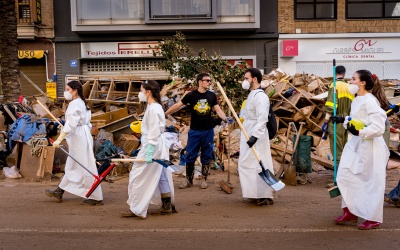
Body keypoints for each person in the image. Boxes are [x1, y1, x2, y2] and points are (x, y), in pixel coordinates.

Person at [332, 70, 389, 230]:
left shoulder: (370, 101)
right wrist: (344, 120)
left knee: (371, 182)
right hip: (356, 144)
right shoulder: (357, 99)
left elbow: (378, 127)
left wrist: (360, 132)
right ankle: (350, 211)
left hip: (370, 147)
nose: (350, 81)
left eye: (354, 79)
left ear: (362, 82)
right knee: (345, 175)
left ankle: (373, 217)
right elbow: (357, 120)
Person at [165, 73, 231, 189]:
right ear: (200, 82)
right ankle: (188, 181)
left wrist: (225, 118)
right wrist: (164, 113)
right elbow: (177, 106)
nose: (209, 83)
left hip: (208, 131)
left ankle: (204, 180)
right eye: (207, 80)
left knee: (206, 155)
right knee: (190, 155)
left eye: (210, 80)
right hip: (194, 131)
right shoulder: (191, 95)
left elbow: (218, 110)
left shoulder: (211, 96)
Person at [121, 80, 176, 218]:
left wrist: (149, 151)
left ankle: (137, 208)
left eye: (141, 90)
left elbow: (154, 131)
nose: (140, 93)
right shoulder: (153, 107)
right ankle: (167, 204)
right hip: (156, 144)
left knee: (137, 175)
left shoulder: (154, 108)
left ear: (148, 92)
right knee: (161, 173)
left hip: (153, 145)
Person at [45, 80, 103, 205]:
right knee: (73, 165)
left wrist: (60, 139)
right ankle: (59, 191)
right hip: (82, 135)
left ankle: (95, 196)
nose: (66, 92)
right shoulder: (81, 102)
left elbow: (71, 124)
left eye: (68, 89)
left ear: (75, 90)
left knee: (84, 166)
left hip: (79, 137)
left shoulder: (75, 104)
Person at [238, 68, 275, 206]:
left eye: (246, 78)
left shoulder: (261, 96)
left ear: (254, 79)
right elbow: (248, 114)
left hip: (256, 135)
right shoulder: (251, 95)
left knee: (261, 163)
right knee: (247, 163)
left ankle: (265, 194)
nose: (245, 81)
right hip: (248, 132)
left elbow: (262, 118)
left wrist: (255, 136)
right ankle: (253, 193)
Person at [322, 66, 354, 188]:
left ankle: (338, 180)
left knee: (336, 150)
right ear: (344, 74)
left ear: (335, 73)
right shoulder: (349, 87)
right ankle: (343, 178)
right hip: (346, 121)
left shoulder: (334, 85)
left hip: (336, 121)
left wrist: (325, 121)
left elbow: (331, 105)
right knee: (344, 148)